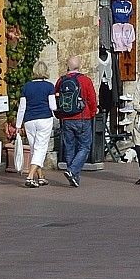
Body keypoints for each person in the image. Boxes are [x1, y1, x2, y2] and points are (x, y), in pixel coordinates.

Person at [54, 54, 100, 187]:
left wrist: (59, 115)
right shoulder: (85, 80)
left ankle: (74, 177)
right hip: (82, 117)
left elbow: (56, 99)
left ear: (67, 66)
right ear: (79, 66)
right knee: (85, 147)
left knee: (69, 148)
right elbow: (92, 99)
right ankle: (72, 170)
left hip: (66, 119)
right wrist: (92, 113)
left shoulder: (61, 81)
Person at [16, 62, 57, 188]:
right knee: (41, 148)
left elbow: (22, 107)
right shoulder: (49, 86)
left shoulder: (26, 87)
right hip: (44, 119)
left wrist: (18, 125)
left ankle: (41, 177)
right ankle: (30, 176)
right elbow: (53, 106)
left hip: (29, 120)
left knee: (34, 148)